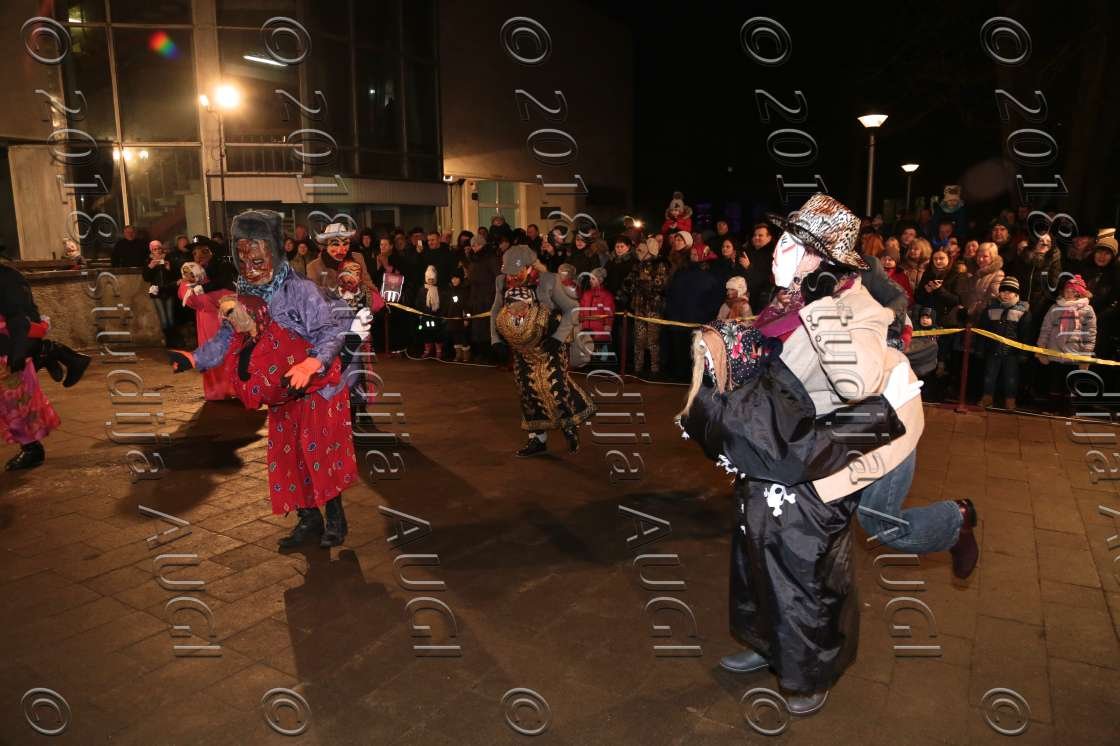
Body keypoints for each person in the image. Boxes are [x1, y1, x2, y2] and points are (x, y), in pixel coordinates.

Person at [677, 194, 971, 717]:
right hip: (809, 434)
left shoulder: (856, 307)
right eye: (781, 240)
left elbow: (856, 382)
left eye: (792, 244)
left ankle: (956, 523)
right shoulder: (787, 298)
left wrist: (820, 306)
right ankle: (767, 642)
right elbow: (773, 360)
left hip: (876, 432)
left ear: (822, 261)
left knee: (845, 539)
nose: (777, 251)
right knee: (759, 531)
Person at [169, 210, 361, 550]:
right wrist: (195, 358)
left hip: (318, 389)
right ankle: (309, 518)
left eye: (257, 259)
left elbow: (330, 331)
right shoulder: (243, 295)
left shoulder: (301, 290)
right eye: (243, 259)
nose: (250, 267)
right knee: (290, 458)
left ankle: (336, 518)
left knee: (320, 456)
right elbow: (226, 337)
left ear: (274, 250)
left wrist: (311, 363)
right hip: (282, 392)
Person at [490, 246, 594, 456]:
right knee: (527, 391)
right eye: (508, 272)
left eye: (516, 272)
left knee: (555, 387)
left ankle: (569, 425)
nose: (511, 277)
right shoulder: (501, 282)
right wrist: (496, 339)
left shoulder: (548, 280)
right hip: (522, 346)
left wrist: (558, 338)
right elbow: (495, 310)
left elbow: (571, 309)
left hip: (550, 343)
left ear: (529, 267)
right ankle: (537, 439)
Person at [0, 262, 63, 470]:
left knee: (16, 404)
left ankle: (32, 449)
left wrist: (19, 351)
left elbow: (22, 316)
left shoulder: (7, 277)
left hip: (8, 351)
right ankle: (47, 353)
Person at [1036, 275, 1097, 399]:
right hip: (1054, 352)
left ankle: (1069, 407)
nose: (1069, 294)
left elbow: (1090, 333)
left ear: (1079, 293)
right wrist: (1041, 348)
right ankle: (1053, 406)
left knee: (1071, 385)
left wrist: (1086, 355)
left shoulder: (1087, 310)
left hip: (1074, 353)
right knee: (1054, 385)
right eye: (1067, 291)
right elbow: (1045, 328)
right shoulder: (1055, 307)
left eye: (1073, 291)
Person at [978, 276, 1031, 410]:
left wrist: (1024, 353)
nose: (1006, 294)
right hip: (993, 349)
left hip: (1012, 352)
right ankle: (987, 398)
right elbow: (983, 329)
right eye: (1003, 291)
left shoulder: (1022, 311)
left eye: (1010, 291)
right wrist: (980, 348)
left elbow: (1026, 334)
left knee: (1011, 377)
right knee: (989, 375)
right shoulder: (991, 308)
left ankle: (1010, 400)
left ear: (1016, 294)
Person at [624, 237, 670, 377]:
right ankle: (638, 368)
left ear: (649, 251)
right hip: (639, 307)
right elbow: (628, 284)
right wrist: (633, 284)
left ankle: (654, 368)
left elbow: (660, 285)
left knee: (653, 340)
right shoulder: (637, 266)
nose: (637, 252)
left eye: (641, 250)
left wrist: (642, 282)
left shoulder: (660, 265)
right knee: (639, 339)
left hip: (653, 308)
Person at [142, 240, 180, 346]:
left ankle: (173, 340)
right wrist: (150, 267)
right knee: (163, 319)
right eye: (155, 249)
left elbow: (174, 276)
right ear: (151, 251)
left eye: (159, 248)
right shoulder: (148, 260)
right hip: (156, 292)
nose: (157, 251)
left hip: (168, 290)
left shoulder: (168, 258)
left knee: (171, 318)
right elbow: (146, 278)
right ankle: (168, 340)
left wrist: (168, 269)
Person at [415, 265, 446, 359]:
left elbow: (443, 303)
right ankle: (427, 350)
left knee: (437, 334)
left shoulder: (439, 290)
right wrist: (420, 313)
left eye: (432, 279)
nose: (430, 281)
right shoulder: (422, 290)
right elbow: (418, 303)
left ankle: (439, 351)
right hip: (425, 316)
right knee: (426, 334)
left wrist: (442, 315)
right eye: (429, 279)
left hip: (436, 316)